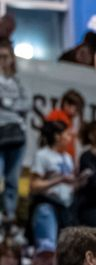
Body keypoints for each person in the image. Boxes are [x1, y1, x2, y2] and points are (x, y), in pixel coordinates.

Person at [29, 121, 79, 245]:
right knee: (48, 247)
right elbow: (34, 186)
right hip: (47, 205)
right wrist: (59, 180)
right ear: (57, 136)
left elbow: (69, 184)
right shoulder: (42, 155)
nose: (70, 138)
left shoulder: (67, 157)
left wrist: (80, 181)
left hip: (65, 206)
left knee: (65, 248)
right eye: (67, 135)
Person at [0, 40, 30, 222]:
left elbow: (27, 103)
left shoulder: (18, 82)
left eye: (6, 56)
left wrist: (7, 103)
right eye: (0, 56)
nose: (3, 60)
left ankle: (9, 215)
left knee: (12, 178)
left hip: (17, 135)